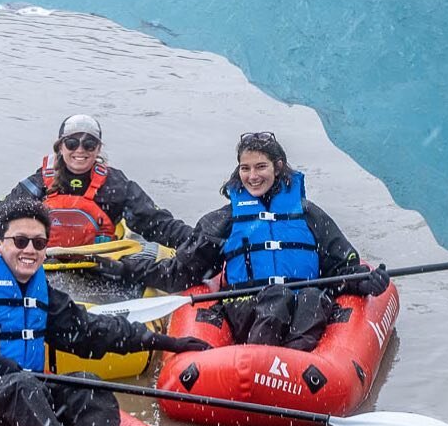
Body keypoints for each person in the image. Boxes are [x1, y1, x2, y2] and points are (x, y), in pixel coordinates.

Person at [0, 198, 210, 426]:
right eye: (20, 241)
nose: (29, 250)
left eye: (38, 243)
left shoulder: (43, 295)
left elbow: (91, 331)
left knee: (86, 383)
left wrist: (165, 342)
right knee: (20, 388)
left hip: (23, 387)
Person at [99, 131, 390, 352]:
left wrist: (365, 282)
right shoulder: (225, 220)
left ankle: (293, 364)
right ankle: (259, 361)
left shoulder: (310, 215)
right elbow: (182, 272)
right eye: (245, 168)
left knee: (311, 297)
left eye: (260, 167)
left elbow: (342, 268)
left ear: (278, 166)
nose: (253, 176)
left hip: (304, 309)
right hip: (246, 306)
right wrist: (121, 269)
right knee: (278, 297)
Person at [0, 115, 194, 270]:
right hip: (43, 266)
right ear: (60, 147)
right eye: (72, 143)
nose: (80, 150)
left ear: (98, 150)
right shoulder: (39, 184)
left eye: (89, 144)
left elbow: (157, 224)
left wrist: (201, 245)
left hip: (99, 266)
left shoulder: (114, 185)